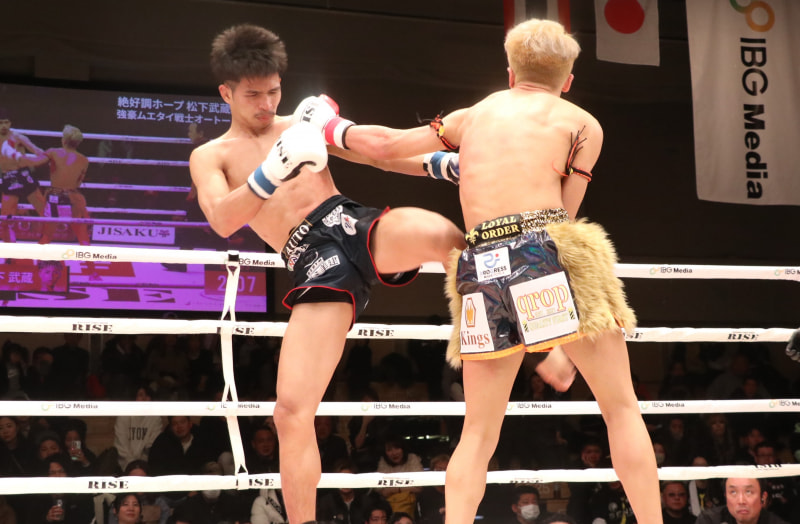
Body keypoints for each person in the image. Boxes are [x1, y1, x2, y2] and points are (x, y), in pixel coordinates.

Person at [329, 17, 662, 524]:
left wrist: (325, 133)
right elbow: (563, 219)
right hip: (544, 246)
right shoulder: (583, 124)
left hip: (481, 263)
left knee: (478, 433)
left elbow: (385, 150)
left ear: (510, 72)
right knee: (621, 409)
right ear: (568, 79)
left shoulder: (472, 116)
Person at [188, 23, 465, 524]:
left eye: (274, 91)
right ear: (226, 93)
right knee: (291, 413)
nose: (267, 104)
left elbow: (378, 155)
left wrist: (442, 164)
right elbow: (223, 219)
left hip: (350, 222)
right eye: (253, 95)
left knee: (444, 235)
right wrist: (272, 170)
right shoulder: (211, 155)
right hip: (311, 257)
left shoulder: (301, 122)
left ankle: (537, 341)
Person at [37, 125, 99, 280]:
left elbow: (37, 162)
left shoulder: (53, 152)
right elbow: (78, 183)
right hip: (72, 198)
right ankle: (93, 273)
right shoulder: (84, 160)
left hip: (54, 196)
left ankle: (37, 269)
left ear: (63, 140)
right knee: (83, 237)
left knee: (47, 235)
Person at [0, 108, 48, 243]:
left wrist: (48, 158)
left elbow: (37, 151)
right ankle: (10, 247)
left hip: (23, 174)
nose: (4, 126)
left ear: (10, 123)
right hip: (8, 177)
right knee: (6, 217)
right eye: (0, 123)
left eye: (6, 122)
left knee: (43, 210)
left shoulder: (17, 137)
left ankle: (46, 241)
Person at [695, 477, 789, 524]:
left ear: (763, 497)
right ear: (726, 496)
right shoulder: (709, 520)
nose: (741, 501)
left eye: (748, 492)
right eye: (733, 492)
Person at [113, 385, 164, 471]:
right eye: (140, 395)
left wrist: (140, 467)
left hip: (146, 467)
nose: (144, 398)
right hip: (123, 467)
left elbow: (152, 446)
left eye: (147, 395)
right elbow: (121, 446)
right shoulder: (123, 416)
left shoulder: (155, 419)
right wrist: (132, 466)